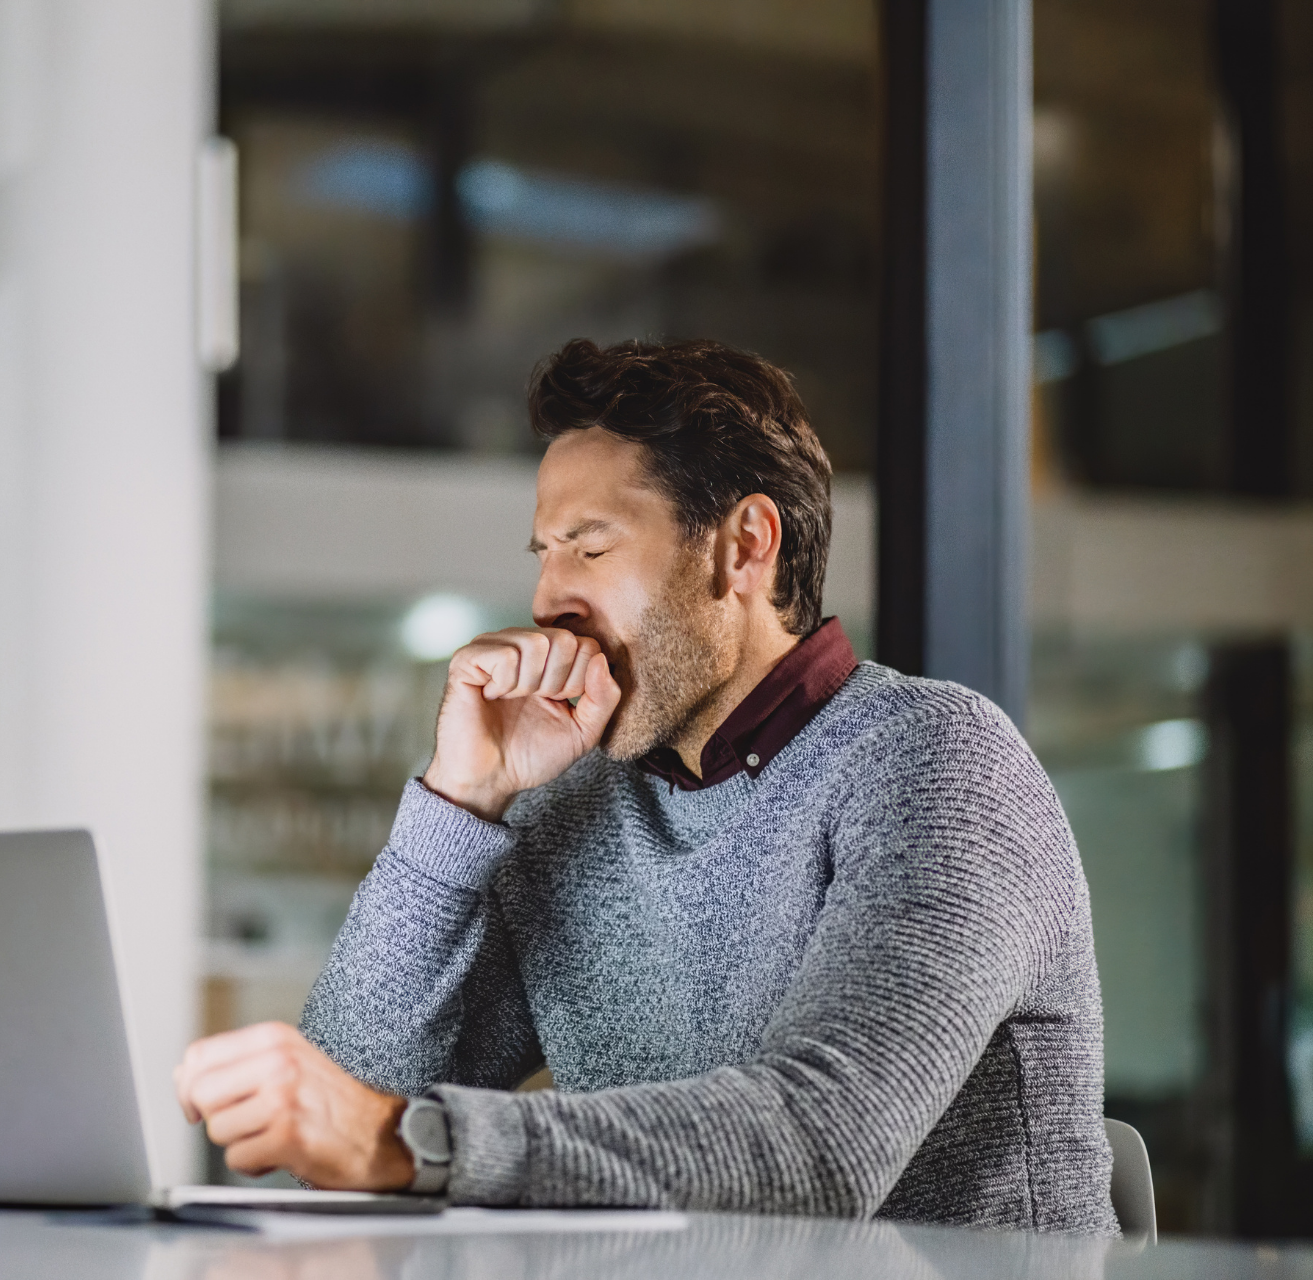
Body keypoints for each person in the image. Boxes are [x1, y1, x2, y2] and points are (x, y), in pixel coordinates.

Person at [173, 337, 1115, 1233]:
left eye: (590, 546)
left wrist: (411, 1142)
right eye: (542, 555)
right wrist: (460, 804)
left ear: (743, 546)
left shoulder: (938, 763)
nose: (548, 602)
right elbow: (341, 1128)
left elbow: (822, 1145)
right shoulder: (571, 814)